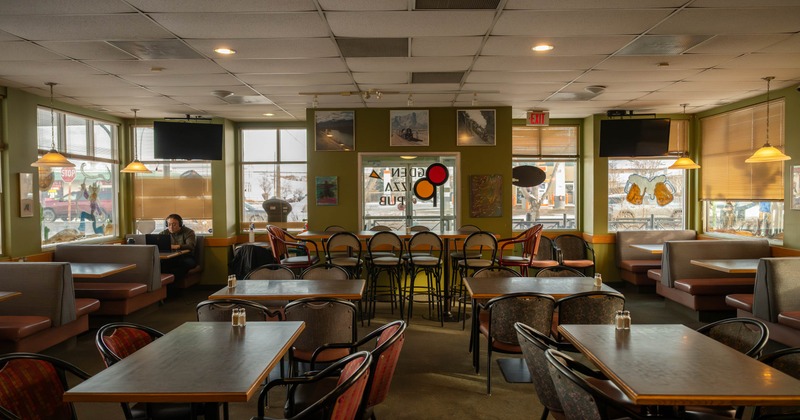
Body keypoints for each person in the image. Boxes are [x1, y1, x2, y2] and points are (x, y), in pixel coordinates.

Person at [159, 214, 197, 282]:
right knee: (161, 265)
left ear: (180, 224)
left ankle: (175, 289)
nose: (171, 227)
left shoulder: (189, 232)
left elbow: (190, 246)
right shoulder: (164, 233)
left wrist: (177, 246)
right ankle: (165, 288)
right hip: (170, 258)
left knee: (179, 267)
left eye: (174, 224)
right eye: (169, 224)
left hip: (187, 257)